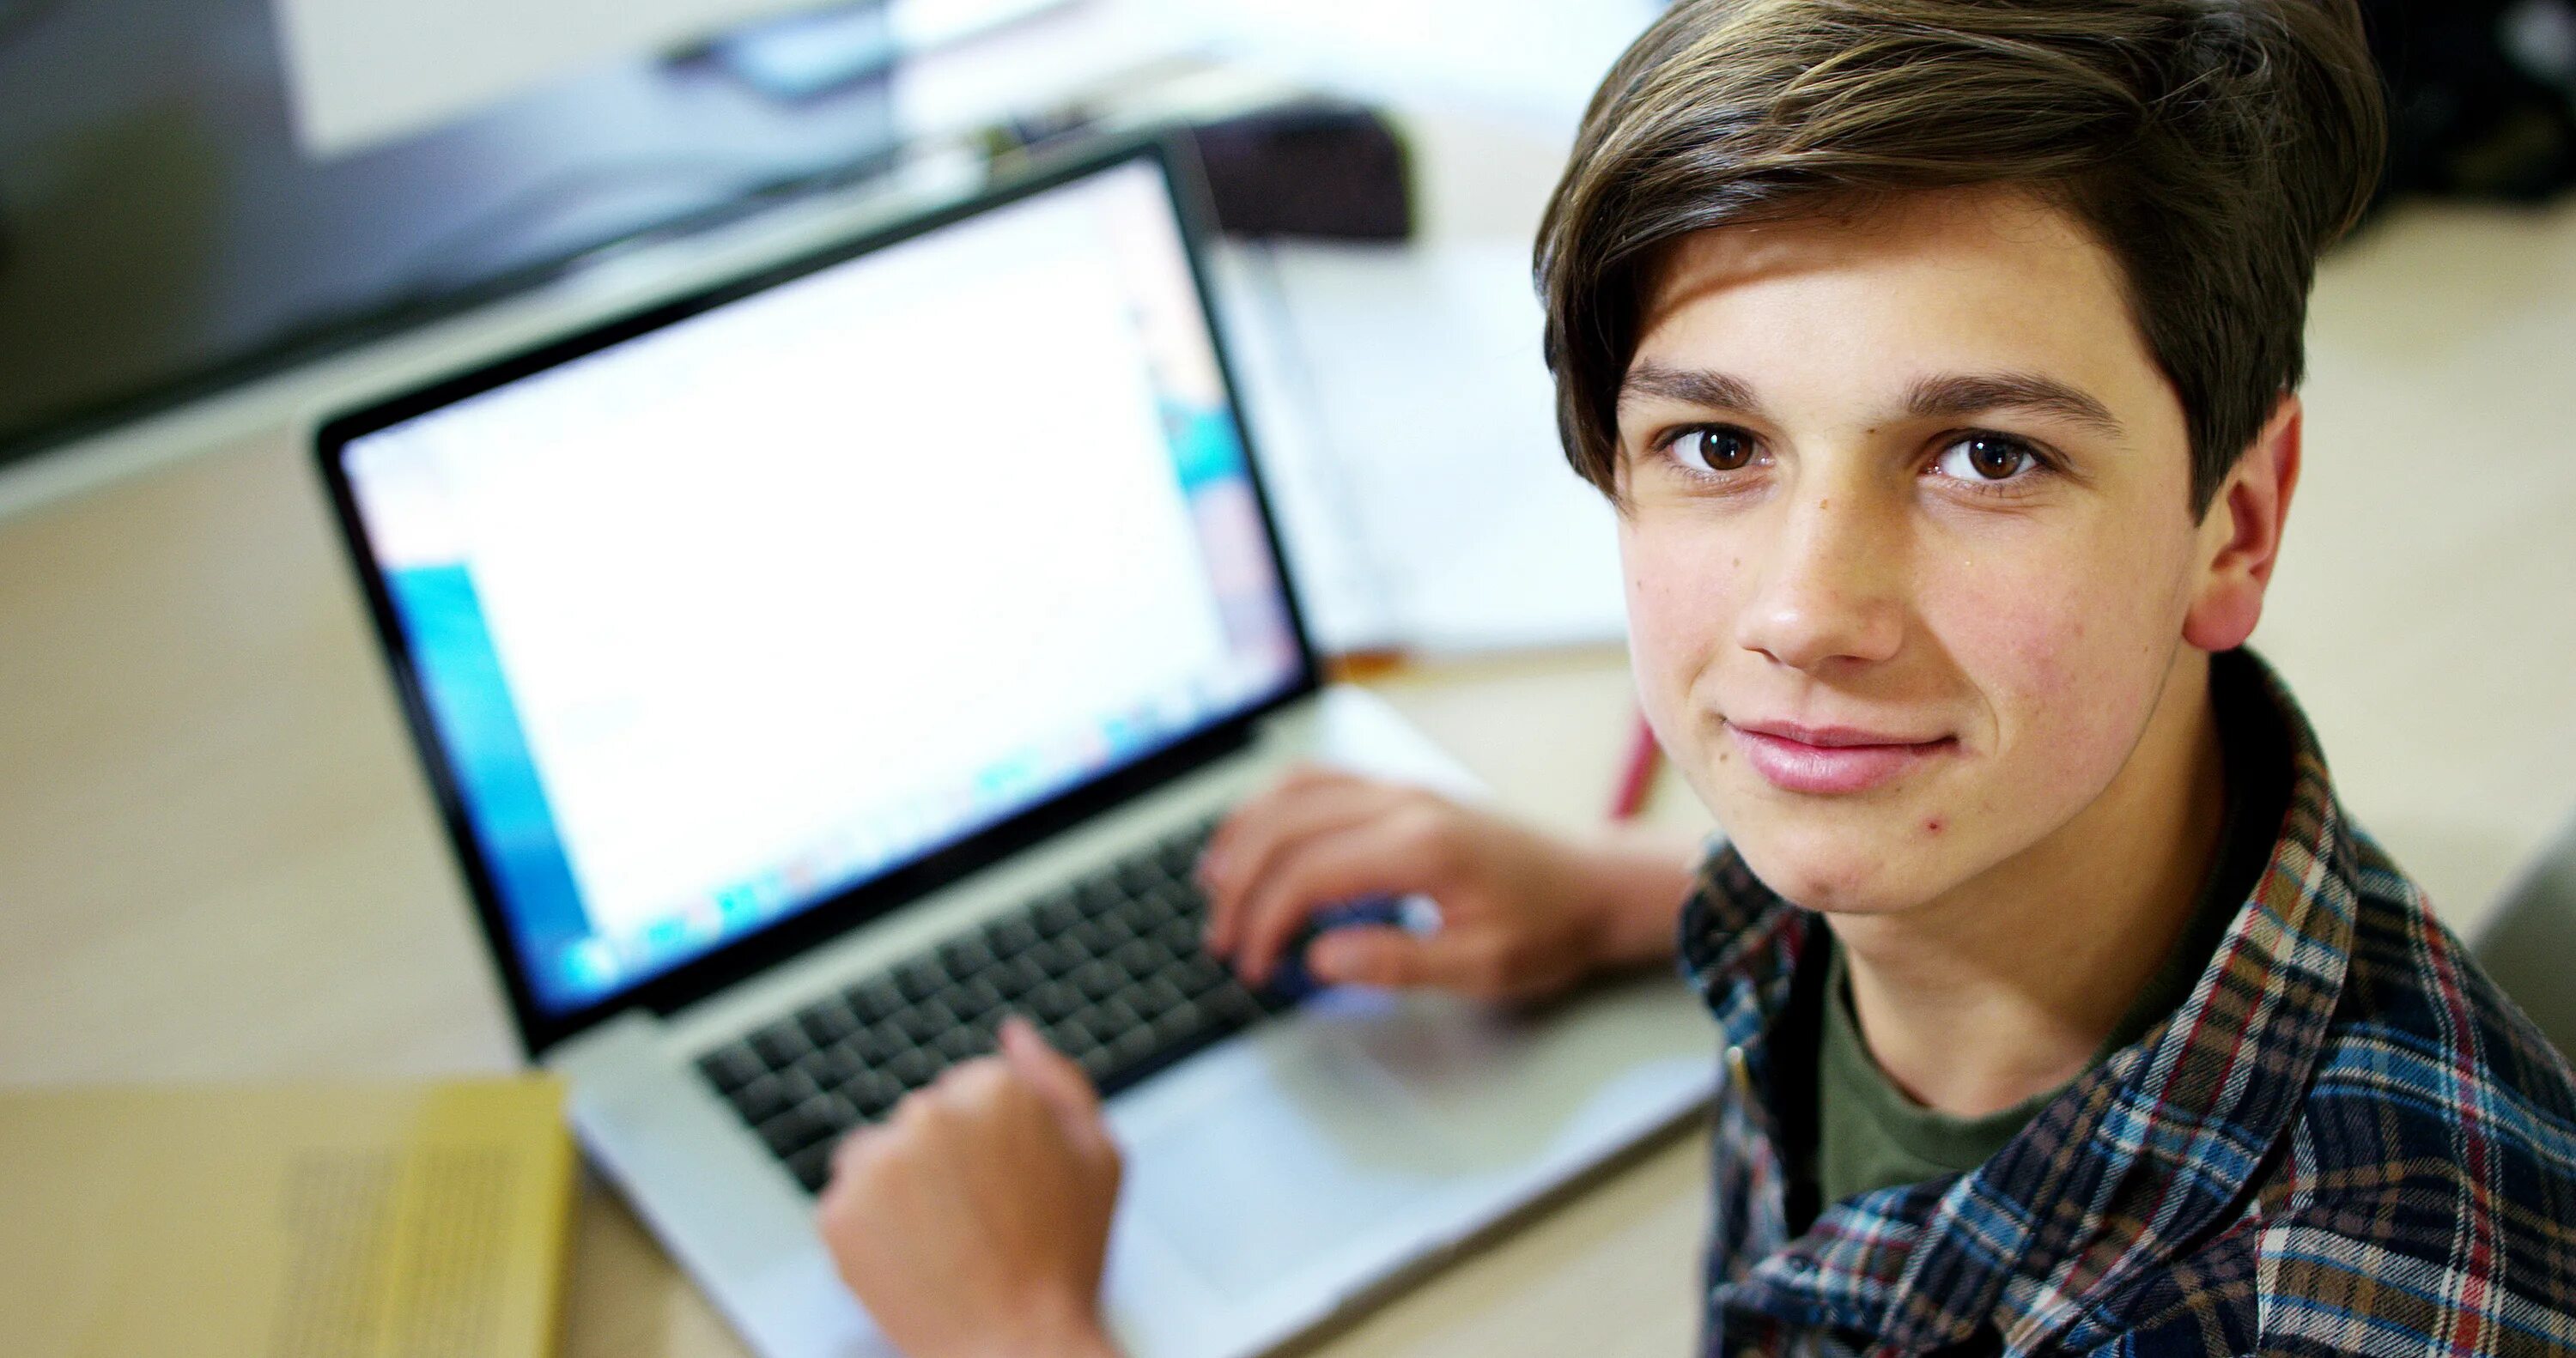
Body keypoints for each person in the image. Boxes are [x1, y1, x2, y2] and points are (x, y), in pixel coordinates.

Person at [813, 1, 2576, 1353]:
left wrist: (1020, 1330)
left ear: (2236, 523)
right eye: (1719, 438)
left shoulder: (2336, 1305)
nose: (1808, 614)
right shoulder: (1950, 858)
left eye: (1985, 457)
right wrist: (1613, 897)